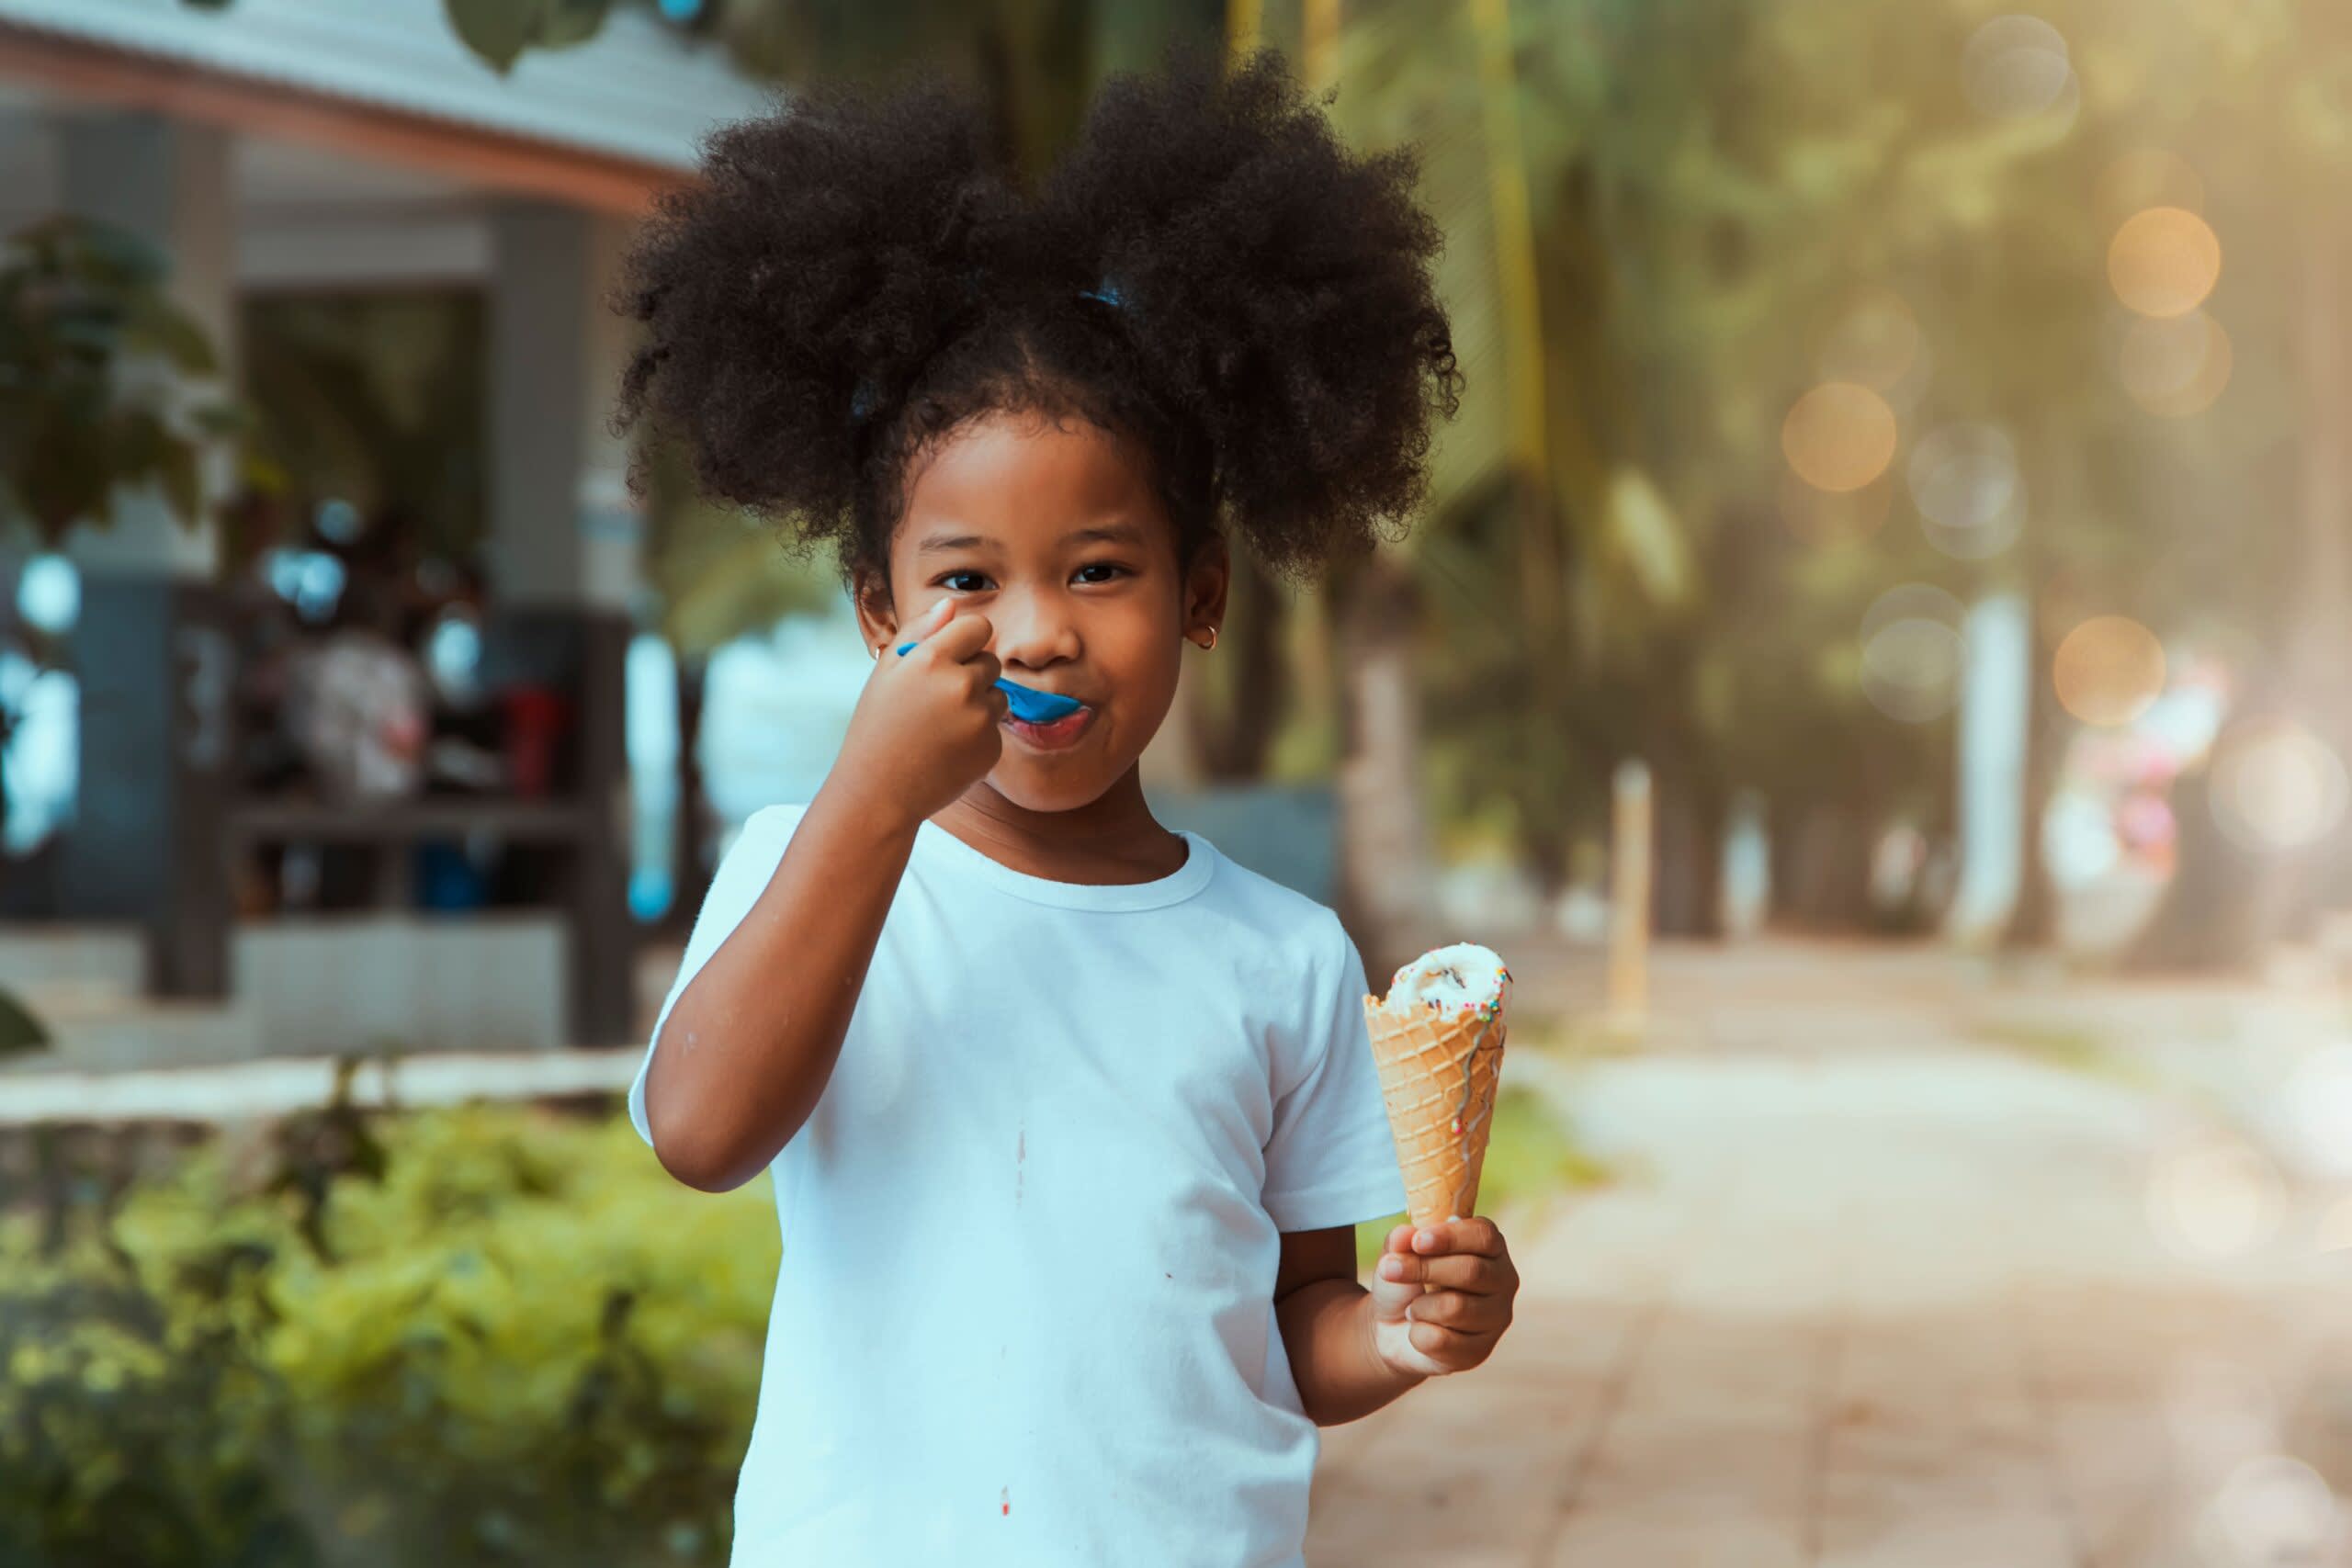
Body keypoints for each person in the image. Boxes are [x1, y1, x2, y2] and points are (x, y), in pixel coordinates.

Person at [613, 45, 1520, 1566]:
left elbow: (1299, 1326)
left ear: (1202, 595)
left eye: (1099, 569)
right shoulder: (814, 862)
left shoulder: (1283, 954)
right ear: (876, 620)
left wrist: (1413, 1333)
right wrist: (871, 802)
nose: (1035, 630)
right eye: (966, 581)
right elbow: (701, 1133)